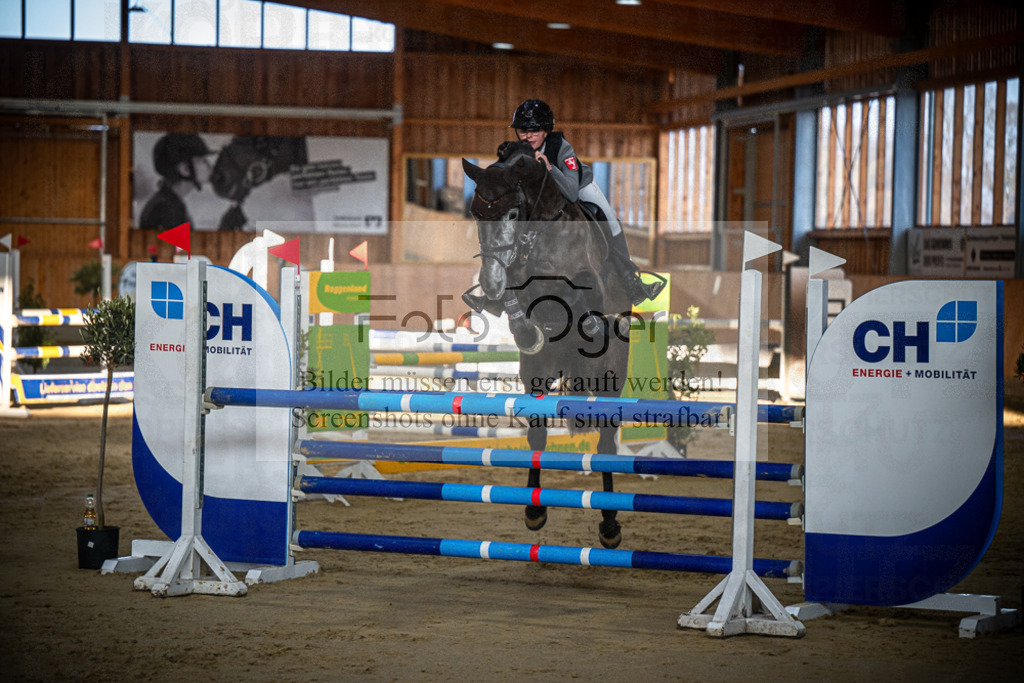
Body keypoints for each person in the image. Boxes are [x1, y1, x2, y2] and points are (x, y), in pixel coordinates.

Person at [464, 99, 664, 314]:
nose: (528, 136)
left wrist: (549, 167)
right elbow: (499, 176)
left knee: (608, 217)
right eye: (523, 130)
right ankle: (496, 294)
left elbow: (570, 191)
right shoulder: (516, 152)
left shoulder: (561, 147)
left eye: (535, 130)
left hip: (578, 185)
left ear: (546, 130)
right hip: (541, 202)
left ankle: (630, 279)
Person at [138, 134, 214, 230]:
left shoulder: (168, 202)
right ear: (185, 169)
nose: (209, 166)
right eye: (203, 161)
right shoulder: (168, 208)